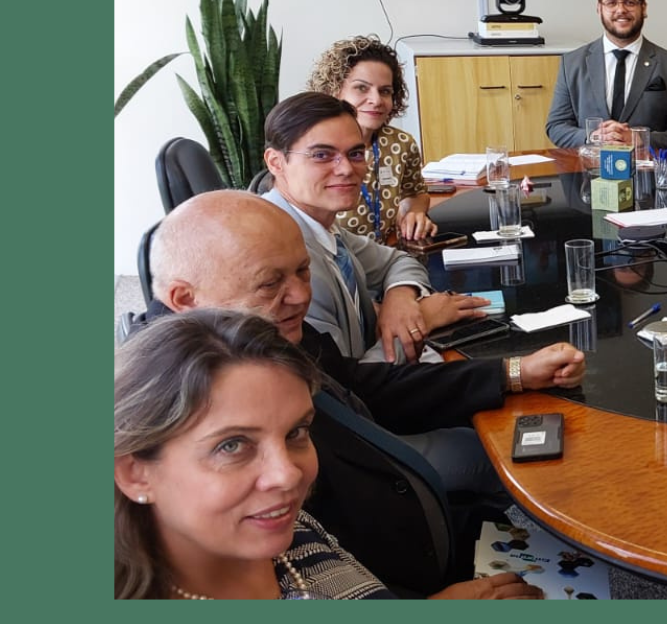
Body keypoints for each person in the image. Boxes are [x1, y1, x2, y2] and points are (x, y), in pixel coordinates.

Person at [140, 190, 587, 594]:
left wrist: (513, 372)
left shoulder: (254, 328)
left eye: (302, 271)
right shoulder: (165, 412)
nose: (299, 295)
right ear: (184, 298)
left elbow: (367, 386)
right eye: (270, 283)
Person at [115, 311, 546, 600]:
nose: (288, 475)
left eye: (297, 432)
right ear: (135, 473)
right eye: (232, 445)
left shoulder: (289, 529)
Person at [260, 92, 479, 363]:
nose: (346, 169)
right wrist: (422, 319)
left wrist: (400, 300)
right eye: (321, 155)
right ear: (275, 162)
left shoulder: (316, 224)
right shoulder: (285, 256)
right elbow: (348, 386)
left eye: (355, 154)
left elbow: (398, 260)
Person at [543, 0, 667, 150]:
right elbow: (556, 127)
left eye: (630, 2)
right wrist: (592, 136)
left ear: (644, 8)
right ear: (599, 9)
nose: (621, 10)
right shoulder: (571, 63)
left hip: (648, 174)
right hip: (588, 174)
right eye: (611, 3)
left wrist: (641, 139)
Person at [303, 35, 434, 244]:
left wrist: (413, 213)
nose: (376, 100)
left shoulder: (400, 144)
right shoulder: (312, 149)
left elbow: (416, 192)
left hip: (388, 257)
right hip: (332, 261)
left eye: (385, 91)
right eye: (361, 88)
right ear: (334, 89)